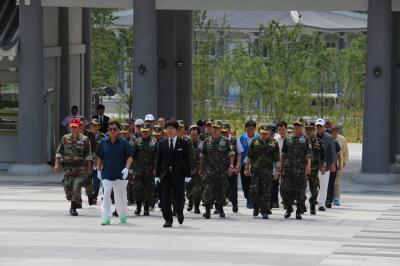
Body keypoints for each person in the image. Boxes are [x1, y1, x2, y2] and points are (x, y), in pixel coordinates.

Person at [155, 120, 191, 228]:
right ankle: (168, 220)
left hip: (178, 175)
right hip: (165, 175)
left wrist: (188, 174)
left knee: (179, 197)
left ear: (176, 130)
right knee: (165, 199)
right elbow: (159, 161)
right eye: (168, 129)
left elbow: (187, 159)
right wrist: (157, 175)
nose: (169, 131)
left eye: (172, 128)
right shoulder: (162, 143)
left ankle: (179, 212)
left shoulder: (183, 143)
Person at [96, 121, 133, 225]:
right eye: (110, 129)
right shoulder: (103, 142)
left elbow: (129, 157)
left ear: (119, 130)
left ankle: (122, 215)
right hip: (107, 173)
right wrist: (98, 170)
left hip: (120, 174)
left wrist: (127, 168)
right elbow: (99, 157)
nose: (112, 131)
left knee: (120, 197)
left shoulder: (124, 142)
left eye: (114, 129)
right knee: (106, 194)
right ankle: (106, 217)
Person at [54, 117, 92, 216]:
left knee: (76, 186)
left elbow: (88, 155)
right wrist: (57, 163)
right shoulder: (65, 138)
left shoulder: (85, 139)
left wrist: (89, 168)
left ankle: (73, 207)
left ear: (79, 127)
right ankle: (73, 202)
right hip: (68, 169)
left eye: (75, 127)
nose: (73, 129)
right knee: (68, 191)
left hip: (80, 169)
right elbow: (59, 152)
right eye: (72, 127)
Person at [199, 120, 235, 219]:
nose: (215, 130)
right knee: (207, 190)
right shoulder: (207, 141)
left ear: (220, 130)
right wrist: (201, 169)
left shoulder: (226, 141)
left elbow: (231, 153)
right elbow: (202, 155)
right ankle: (207, 211)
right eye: (213, 128)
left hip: (222, 171)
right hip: (209, 171)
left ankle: (221, 209)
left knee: (222, 191)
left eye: (217, 129)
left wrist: (231, 166)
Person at [244, 124, 280, 219]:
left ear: (269, 133)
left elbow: (276, 159)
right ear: (259, 132)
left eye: (266, 133)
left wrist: (277, 171)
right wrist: (246, 168)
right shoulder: (255, 142)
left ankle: (264, 210)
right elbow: (249, 156)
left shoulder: (273, 143)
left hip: (267, 172)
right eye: (262, 133)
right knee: (254, 191)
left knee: (266, 192)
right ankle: (256, 207)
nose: (264, 135)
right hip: (255, 172)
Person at [279, 120, 312, 220]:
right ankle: (288, 209)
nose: (297, 128)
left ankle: (299, 211)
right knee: (285, 191)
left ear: (302, 128)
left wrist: (308, 166)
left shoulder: (305, 139)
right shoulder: (288, 139)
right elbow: (283, 154)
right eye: (295, 126)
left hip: (300, 170)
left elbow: (309, 154)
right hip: (288, 170)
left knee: (300, 192)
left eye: (299, 126)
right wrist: (281, 167)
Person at [131, 123, 158, 216]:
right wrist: (132, 169)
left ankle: (146, 208)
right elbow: (132, 156)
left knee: (149, 190)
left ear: (150, 131)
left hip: (150, 171)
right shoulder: (137, 141)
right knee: (138, 189)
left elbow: (157, 157)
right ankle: (138, 207)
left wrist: (156, 169)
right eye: (143, 131)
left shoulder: (154, 142)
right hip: (138, 170)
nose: (145, 133)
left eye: (146, 131)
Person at [315, 118, 337, 211]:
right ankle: (314, 200)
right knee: (311, 185)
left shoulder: (329, 137)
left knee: (324, 185)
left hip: (326, 165)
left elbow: (333, 152)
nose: (319, 128)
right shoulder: (312, 137)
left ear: (324, 127)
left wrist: (333, 164)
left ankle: (321, 204)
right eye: (317, 126)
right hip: (314, 165)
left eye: (321, 126)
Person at [305, 122, 326, 215]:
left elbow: (323, 155)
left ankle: (312, 205)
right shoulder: (301, 140)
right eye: (307, 129)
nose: (309, 131)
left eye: (310, 129)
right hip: (302, 169)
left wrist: (323, 166)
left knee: (314, 189)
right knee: (301, 188)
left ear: (314, 130)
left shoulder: (318, 142)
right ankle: (301, 205)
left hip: (314, 169)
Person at [238, 120, 260, 209]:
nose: (250, 130)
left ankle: (253, 201)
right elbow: (239, 152)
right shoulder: (241, 138)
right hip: (244, 165)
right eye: (248, 128)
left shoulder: (259, 138)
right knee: (245, 185)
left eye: (252, 128)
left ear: (254, 129)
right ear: (245, 128)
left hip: (255, 166)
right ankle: (248, 199)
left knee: (255, 184)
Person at [221, 122, 243, 213]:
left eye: (226, 132)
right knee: (221, 187)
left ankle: (234, 204)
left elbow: (239, 153)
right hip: (221, 167)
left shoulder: (234, 140)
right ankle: (220, 206)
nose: (224, 134)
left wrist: (237, 165)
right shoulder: (219, 139)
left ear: (229, 131)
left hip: (232, 167)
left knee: (232, 188)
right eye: (222, 132)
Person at [186, 125, 203, 214]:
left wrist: (198, 169)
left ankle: (196, 205)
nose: (193, 137)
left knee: (198, 189)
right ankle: (190, 201)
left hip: (198, 169)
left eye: (195, 135)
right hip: (188, 168)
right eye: (192, 135)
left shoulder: (202, 144)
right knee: (188, 187)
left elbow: (203, 158)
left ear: (198, 135)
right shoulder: (186, 143)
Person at [271, 121, 287, 209]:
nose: (282, 131)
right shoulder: (275, 139)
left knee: (285, 184)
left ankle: (285, 201)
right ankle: (274, 201)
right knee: (274, 183)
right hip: (276, 163)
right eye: (280, 129)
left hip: (286, 164)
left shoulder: (290, 139)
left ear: (286, 129)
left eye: (283, 129)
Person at [89, 118, 106, 204]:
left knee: (97, 179)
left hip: (98, 161)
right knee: (88, 179)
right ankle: (90, 195)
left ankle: (95, 196)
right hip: (88, 161)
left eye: (95, 125)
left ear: (99, 126)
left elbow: (104, 150)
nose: (93, 127)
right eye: (92, 125)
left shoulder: (103, 137)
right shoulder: (87, 136)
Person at [332, 126, 349, 206]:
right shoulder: (328, 138)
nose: (333, 132)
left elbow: (345, 152)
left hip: (339, 164)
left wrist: (343, 163)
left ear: (337, 131)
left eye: (334, 131)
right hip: (330, 164)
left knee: (337, 182)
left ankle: (336, 198)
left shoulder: (342, 139)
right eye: (332, 131)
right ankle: (328, 197)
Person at [326, 138, 342, 208]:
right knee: (323, 184)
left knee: (331, 184)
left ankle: (329, 200)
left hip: (333, 165)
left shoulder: (335, 143)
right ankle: (323, 199)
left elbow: (339, 154)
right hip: (323, 165)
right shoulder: (321, 141)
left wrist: (340, 164)